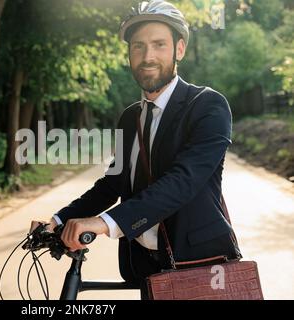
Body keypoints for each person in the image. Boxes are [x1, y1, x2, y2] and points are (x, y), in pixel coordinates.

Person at [30, 0, 241, 299]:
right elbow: (113, 183)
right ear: (129, 55)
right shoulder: (130, 118)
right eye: (138, 47)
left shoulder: (208, 106)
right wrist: (58, 221)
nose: (148, 56)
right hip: (145, 266)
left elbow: (182, 182)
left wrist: (103, 223)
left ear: (179, 50)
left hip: (197, 264)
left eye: (158, 45)